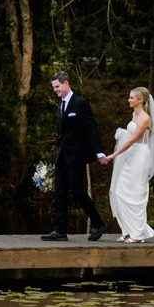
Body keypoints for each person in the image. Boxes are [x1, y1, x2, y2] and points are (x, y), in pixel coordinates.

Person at [41, 71, 108, 242]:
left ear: (66, 84)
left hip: (76, 156)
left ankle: (99, 223)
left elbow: (91, 128)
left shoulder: (80, 103)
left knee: (77, 191)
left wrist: (99, 152)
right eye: (53, 87)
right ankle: (60, 231)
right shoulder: (60, 106)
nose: (55, 90)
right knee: (60, 191)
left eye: (57, 87)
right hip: (62, 156)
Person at [99, 86, 154, 242]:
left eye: (132, 98)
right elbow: (129, 135)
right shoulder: (134, 114)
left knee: (135, 194)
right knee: (119, 192)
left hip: (140, 157)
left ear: (141, 100)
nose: (129, 100)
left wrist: (112, 155)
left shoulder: (145, 118)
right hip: (131, 156)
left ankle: (137, 234)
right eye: (129, 97)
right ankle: (127, 229)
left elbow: (132, 140)